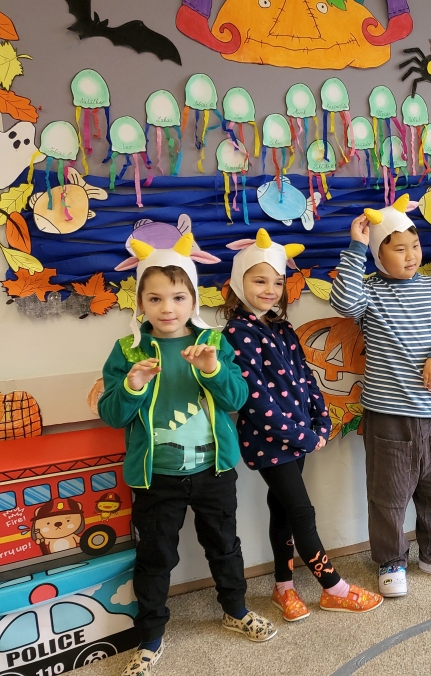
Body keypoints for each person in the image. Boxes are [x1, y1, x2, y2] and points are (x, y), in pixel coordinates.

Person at [98, 233, 276, 676]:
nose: (167, 308)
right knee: (156, 557)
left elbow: (237, 399)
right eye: (155, 298)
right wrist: (133, 385)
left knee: (225, 546)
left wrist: (212, 369)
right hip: (155, 477)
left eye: (178, 297)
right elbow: (113, 415)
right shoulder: (127, 350)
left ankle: (235, 610)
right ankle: (150, 637)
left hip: (214, 471)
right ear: (140, 302)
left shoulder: (214, 342)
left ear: (193, 298)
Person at [221, 228, 382, 620]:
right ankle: (333, 588)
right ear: (238, 283)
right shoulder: (237, 333)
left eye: (277, 282)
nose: (270, 290)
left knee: (282, 511)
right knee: (302, 512)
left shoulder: (281, 327)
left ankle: (283, 587)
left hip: (300, 437)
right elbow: (254, 399)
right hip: (269, 442)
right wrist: (302, 436)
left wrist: (321, 421)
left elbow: (306, 378)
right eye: (260, 281)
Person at [331, 196, 431, 596]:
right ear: (379, 255)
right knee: (389, 496)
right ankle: (391, 560)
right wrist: (356, 246)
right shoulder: (369, 292)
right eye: (399, 249)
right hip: (389, 417)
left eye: (415, 245)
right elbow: (343, 302)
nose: (411, 255)